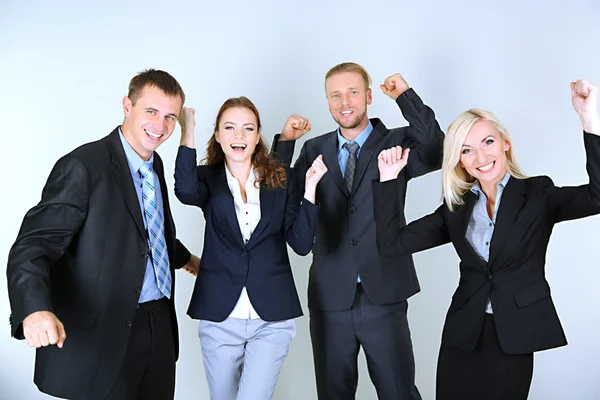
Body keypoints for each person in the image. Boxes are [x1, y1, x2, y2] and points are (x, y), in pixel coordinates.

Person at [373, 80, 600, 399]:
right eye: (467, 150)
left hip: (515, 332)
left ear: (505, 143)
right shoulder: (456, 209)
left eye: (488, 142)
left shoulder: (538, 194)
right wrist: (388, 181)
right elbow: (392, 244)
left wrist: (589, 119)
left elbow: (597, 196)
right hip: (463, 334)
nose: (480, 156)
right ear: (460, 161)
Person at [6, 69, 200, 400]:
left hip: (158, 327)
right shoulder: (84, 166)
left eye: (170, 117)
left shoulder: (154, 166)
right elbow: (32, 246)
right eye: (151, 111)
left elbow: (144, 230)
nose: (161, 126)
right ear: (127, 105)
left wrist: (186, 259)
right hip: (103, 336)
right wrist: (34, 308)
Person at [270, 62, 444, 399]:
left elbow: (435, 149)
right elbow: (277, 197)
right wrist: (286, 142)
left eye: (352, 92)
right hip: (330, 297)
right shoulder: (313, 150)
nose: (344, 101)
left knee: (399, 392)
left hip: (384, 291)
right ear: (327, 101)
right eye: (335, 95)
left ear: (367, 96)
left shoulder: (396, 141)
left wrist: (405, 96)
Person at [174, 96, 327, 400]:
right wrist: (186, 130)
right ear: (217, 135)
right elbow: (184, 189)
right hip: (219, 316)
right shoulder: (208, 180)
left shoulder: (279, 182)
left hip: (270, 318)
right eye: (229, 127)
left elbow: (300, 243)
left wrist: (310, 192)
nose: (239, 135)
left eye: (248, 128)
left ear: (258, 136)